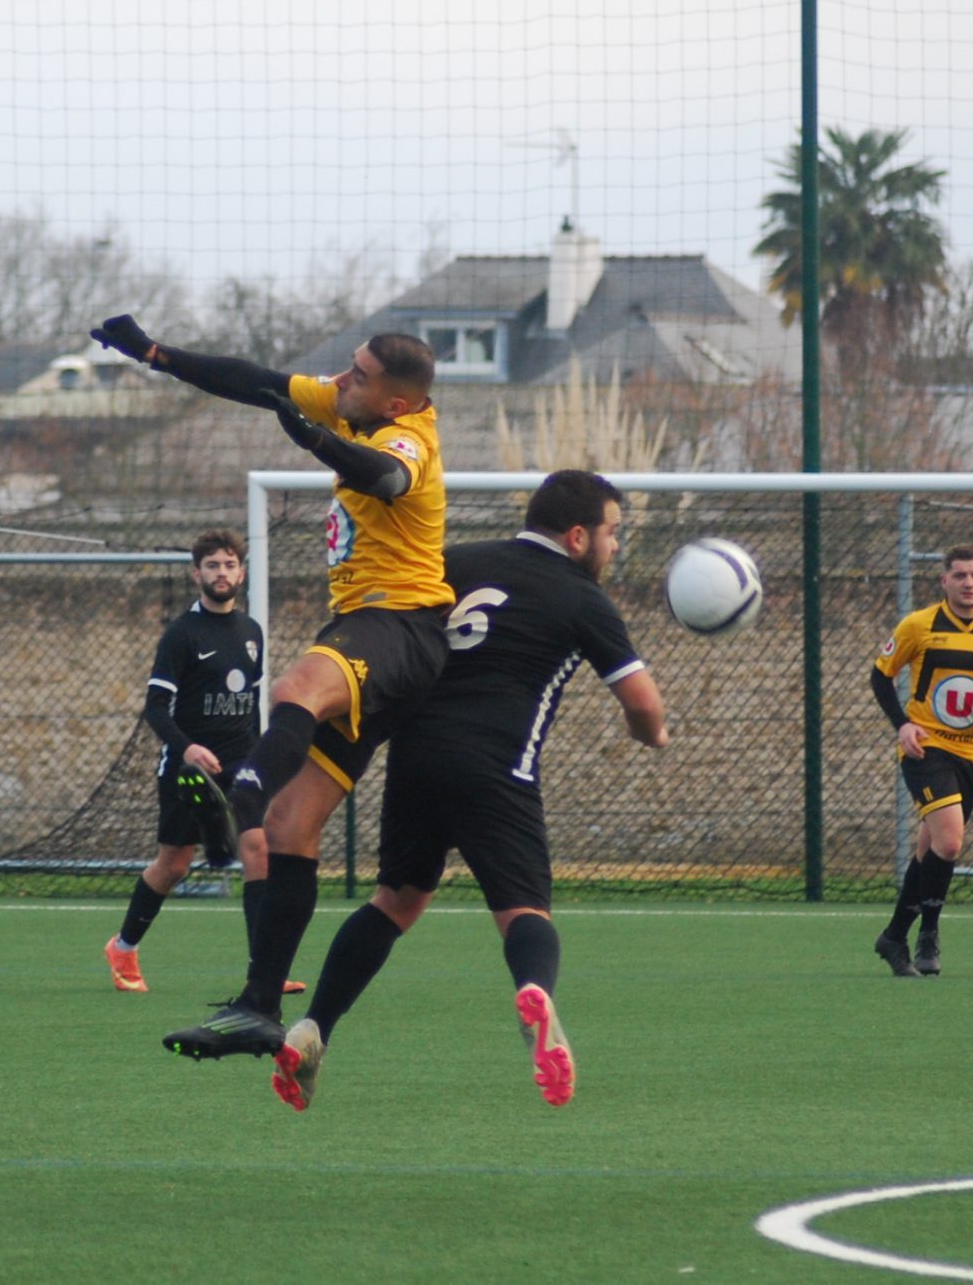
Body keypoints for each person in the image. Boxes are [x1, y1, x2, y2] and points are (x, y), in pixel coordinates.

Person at [88, 316, 452, 1058]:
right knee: (289, 828)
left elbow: (385, 477)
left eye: (357, 374)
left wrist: (315, 442)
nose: (340, 380)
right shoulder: (353, 407)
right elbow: (253, 380)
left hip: (401, 628)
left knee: (296, 685)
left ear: (394, 401)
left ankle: (243, 791)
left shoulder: (408, 439)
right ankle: (259, 1008)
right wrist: (157, 354)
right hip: (374, 639)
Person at [268, 470, 669, 1113]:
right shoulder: (583, 599)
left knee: (396, 901)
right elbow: (643, 704)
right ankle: (535, 993)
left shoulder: (453, 564)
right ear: (577, 537)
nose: (616, 546)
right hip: (496, 767)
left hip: (415, 757)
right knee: (525, 912)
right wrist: (653, 734)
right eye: (612, 532)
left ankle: (314, 1027)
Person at [104, 529, 280, 993]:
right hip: (189, 770)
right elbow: (156, 708)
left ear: (241, 573)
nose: (222, 573)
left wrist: (260, 760)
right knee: (174, 864)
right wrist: (188, 749)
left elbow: (251, 706)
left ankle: (264, 970)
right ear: (196, 573)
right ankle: (123, 947)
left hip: (241, 762)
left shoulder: (252, 632)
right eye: (212, 566)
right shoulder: (181, 634)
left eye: (229, 565)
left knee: (259, 849)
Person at [869, 544, 973, 977]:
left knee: (931, 850)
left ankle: (894, 936)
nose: (968, 583)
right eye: (959, 575)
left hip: (971, 753)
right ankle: (927, 934)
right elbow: (881, 676)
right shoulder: (918, 625)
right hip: (925, 749)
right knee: (951, 843)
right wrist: (903, 725)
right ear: (944, 581)